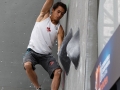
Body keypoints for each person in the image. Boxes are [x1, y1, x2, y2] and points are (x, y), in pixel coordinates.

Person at [23, 0, 67, 90]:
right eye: (58, 12)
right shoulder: (43, 16)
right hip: (32, 52)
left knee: (58, 72)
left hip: (46, 56)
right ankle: (38, 87)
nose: (59, 15)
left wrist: (61, 52)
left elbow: (60, 46)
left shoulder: (59, 29)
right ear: (53, 10)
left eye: (62, 14)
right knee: (27, 65)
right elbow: (49, 2)